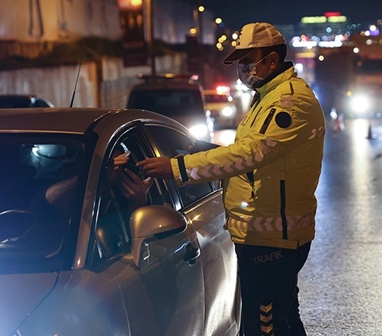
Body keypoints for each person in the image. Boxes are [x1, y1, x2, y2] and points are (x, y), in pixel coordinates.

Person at [137, 22, 325, 336]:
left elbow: (250, 155)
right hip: (263, 232)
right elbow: (249, 154)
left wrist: (179, 167)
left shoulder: (289, 102)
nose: (242, 67)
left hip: (273, 236)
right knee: (284, 321)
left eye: (248, 59)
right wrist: (198, 151)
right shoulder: (267, 96)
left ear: (272, 60)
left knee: (263, 327)